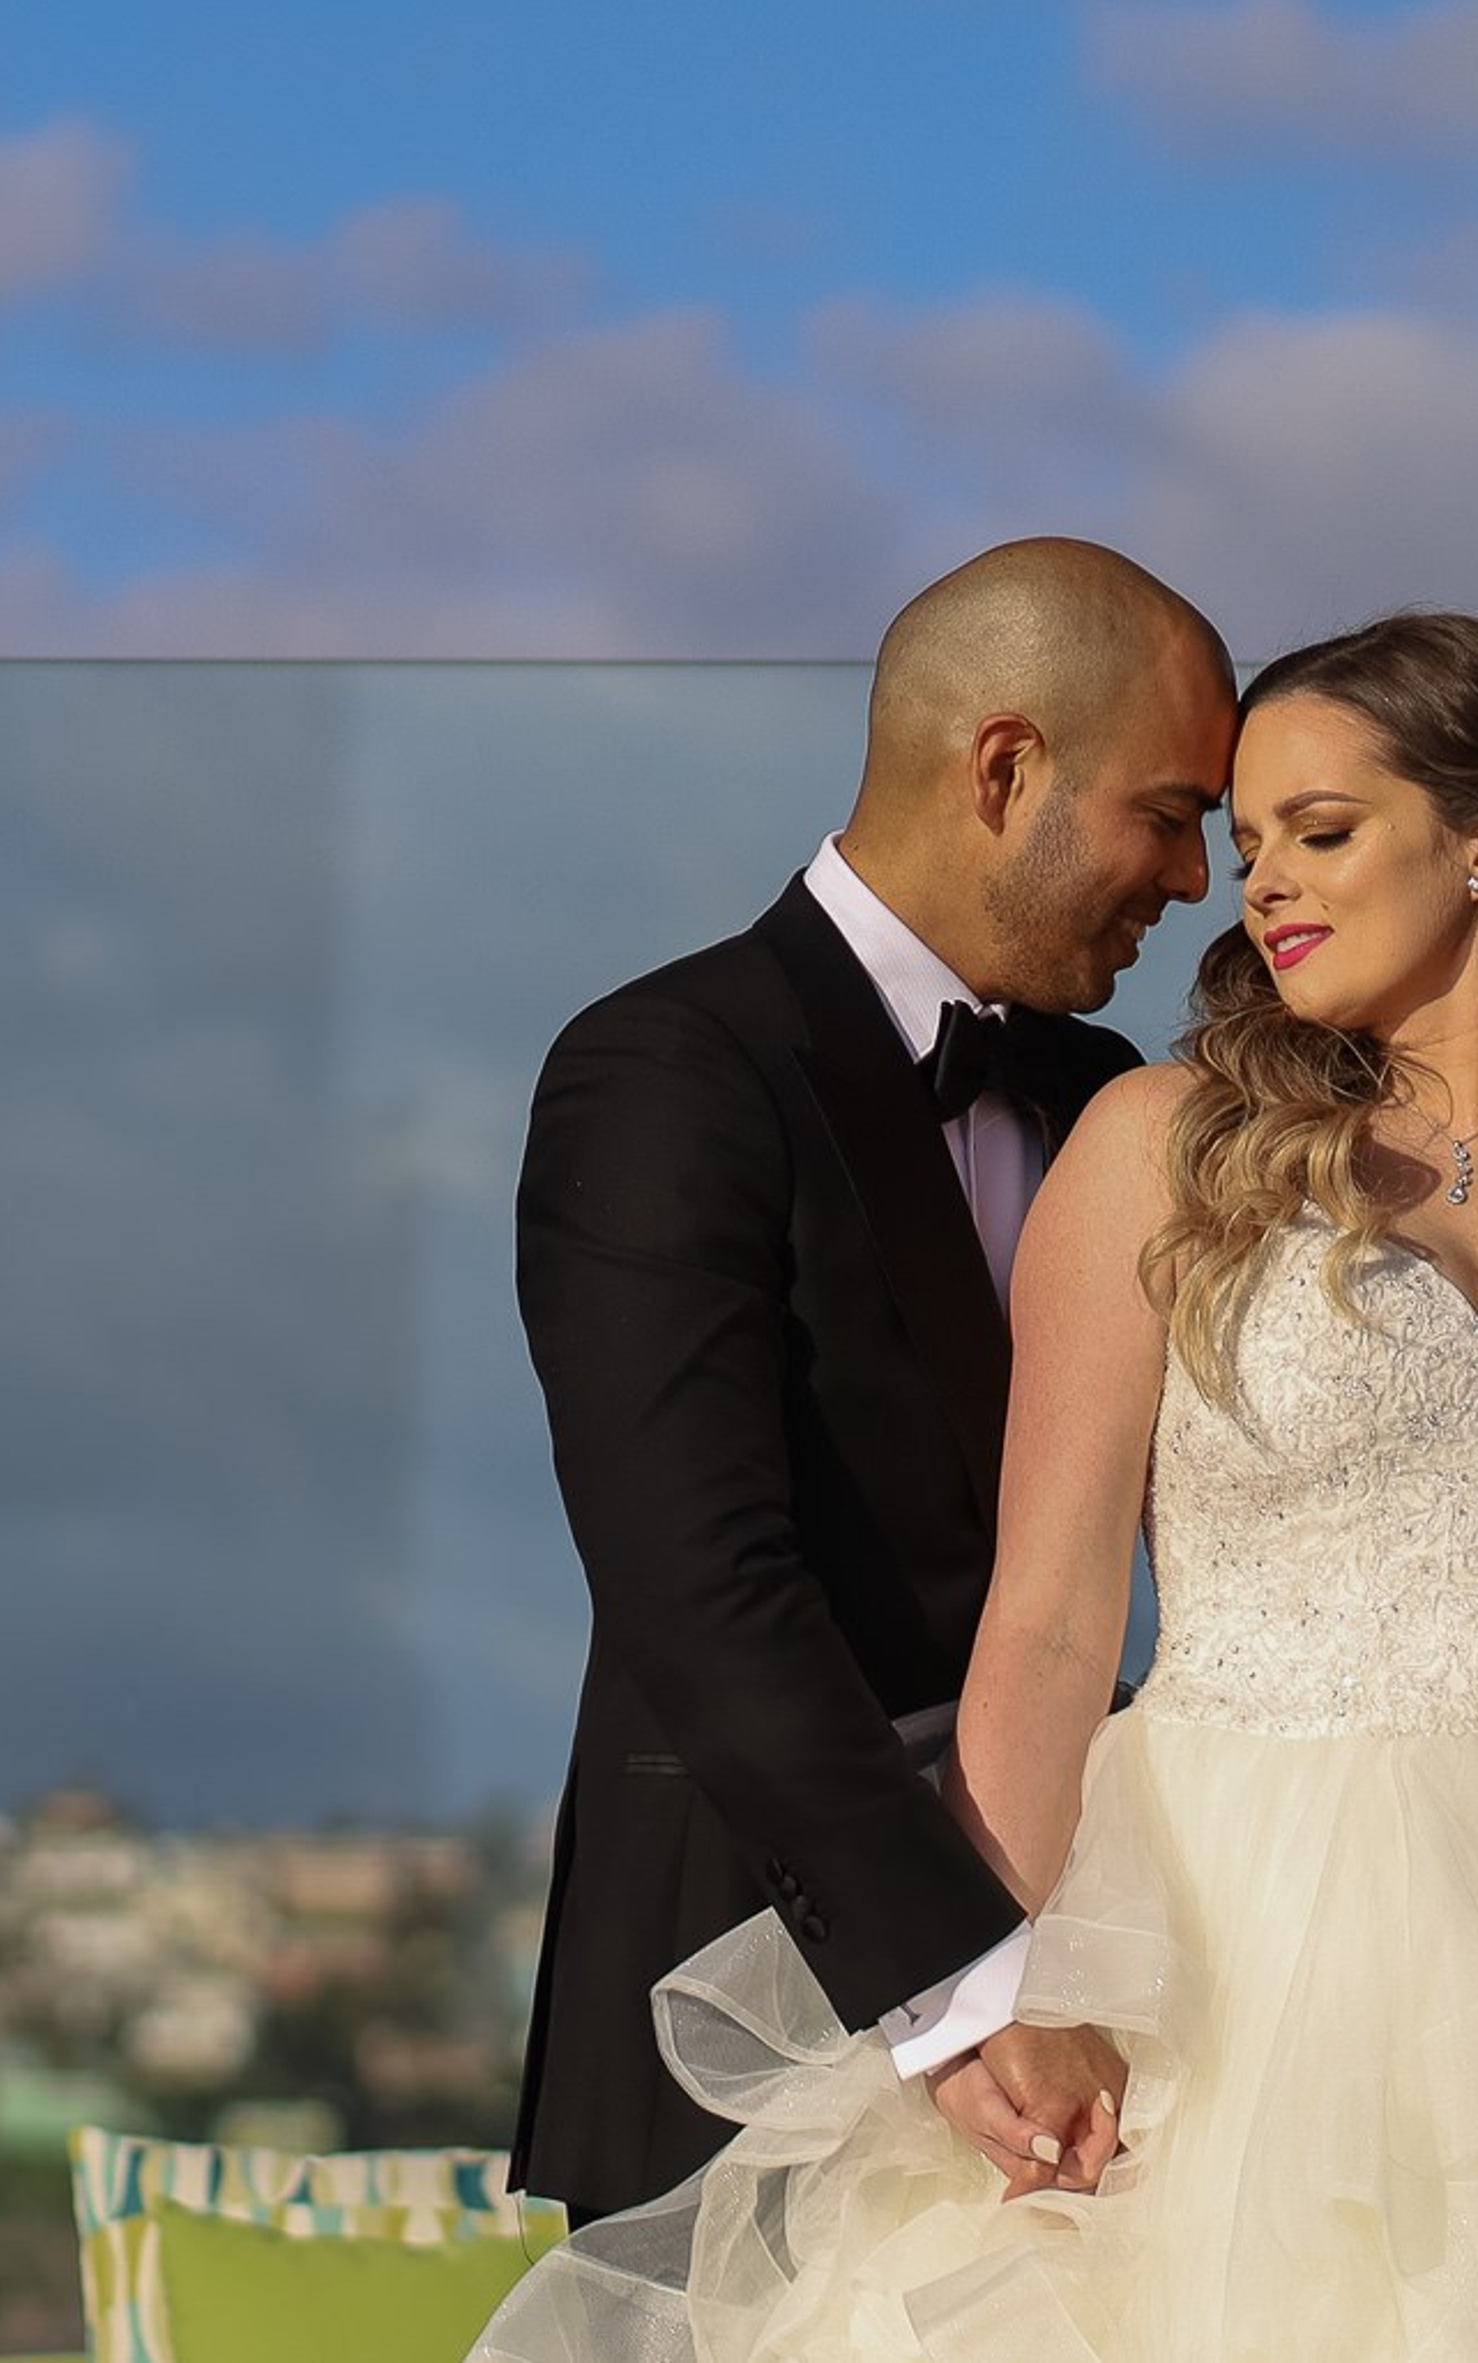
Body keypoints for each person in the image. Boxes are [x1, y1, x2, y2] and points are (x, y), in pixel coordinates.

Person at [481, 609, 1478, 2363]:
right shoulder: (1166, 1142)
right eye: (1236, 835)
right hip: (1227, 1932)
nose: (1244, 885)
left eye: (1311, 833)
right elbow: (1046, 1623)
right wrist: (1005, 1993)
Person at [508, 536, 1241, 2217]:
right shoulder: (673, 1069)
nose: (1198, 879)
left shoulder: (1114, 1098)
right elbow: (698, 1578)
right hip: (757, 1985)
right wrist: (966, 1987)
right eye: (1170, 813)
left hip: (1106, 1968)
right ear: (1007, 769)